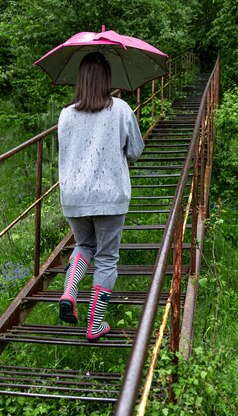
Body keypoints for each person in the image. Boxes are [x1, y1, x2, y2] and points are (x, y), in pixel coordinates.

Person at [56, 52, 144, 341]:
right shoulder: (120, 109)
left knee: (83, 244)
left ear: (80, 79)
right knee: (106, 257)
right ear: (107, 78)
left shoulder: (66, 114)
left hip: (74, 196)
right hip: (109, 195)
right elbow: (135, 151)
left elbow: (66, 152)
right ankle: (95, 324)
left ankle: (70, 291)